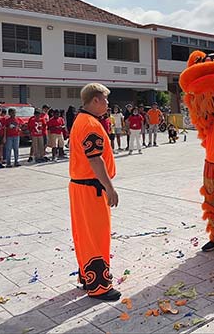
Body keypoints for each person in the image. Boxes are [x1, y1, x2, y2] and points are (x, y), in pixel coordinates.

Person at [69, 83, 120, 301]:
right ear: (96, 100)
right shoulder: (90, 124)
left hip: (80, 186)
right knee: (96, 235)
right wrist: (110, 187)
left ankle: (87, 276)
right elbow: (95, 159)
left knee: (84, 234)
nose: (108, 104)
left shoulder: (81, 120)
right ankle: (99, 286)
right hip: (91, 188)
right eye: (105, 99)